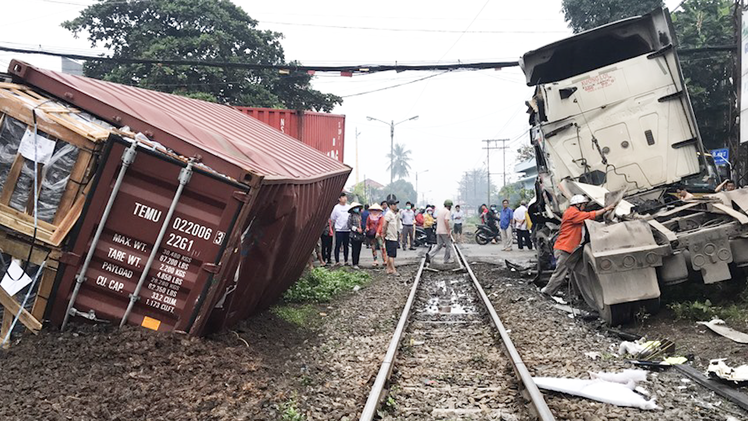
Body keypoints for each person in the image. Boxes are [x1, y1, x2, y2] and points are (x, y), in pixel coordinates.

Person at [541, 195, 614, 296]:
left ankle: (577, 294)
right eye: (583, 204)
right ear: (578, 204)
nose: (584, 206)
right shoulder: (572, 213)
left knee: (574, 271)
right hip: (564, 248)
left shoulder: (572, 212)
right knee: (560, 272)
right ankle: (547, 292)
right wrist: (606, 209)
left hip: (567, 248)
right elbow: (589, 215)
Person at [427, 199, 453, 264]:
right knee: (448, 245)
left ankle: (429, 255)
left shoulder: (440, 211)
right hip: (444, 231)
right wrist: (448, 231)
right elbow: (446, 221)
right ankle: (446, 260)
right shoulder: (447, 212)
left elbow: (437, 220)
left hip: (438, 231)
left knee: (439, 245)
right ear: (449, 206)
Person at [380, 194, 400, 275]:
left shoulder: (393, 214)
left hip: (393, 237)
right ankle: (393, 270)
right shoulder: (388, 214)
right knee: (391, 255)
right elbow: (385, 224)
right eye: (394, 204)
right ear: (391, 205)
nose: (396, 206)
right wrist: (383, 234)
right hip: (390, 237)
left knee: (390, 254)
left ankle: (388, 269)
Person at [330, 192, 351, 265]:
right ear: (339, 199)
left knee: (346, 245)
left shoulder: (349, 207)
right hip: (339, 229)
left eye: (345, 197)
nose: (345, 198)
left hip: (347, 229)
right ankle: (337, 261)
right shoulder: (336, 207)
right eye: (343, 197)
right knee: (338, 245)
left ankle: (346, 260)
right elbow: (333, 218)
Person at [347, 202, 365, 269]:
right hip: (354, 234)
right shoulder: (351, 216)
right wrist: (356, 229)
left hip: (360, 235)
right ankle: (354, 263)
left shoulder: (360, 215)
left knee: (359, 249)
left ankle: (357, 262)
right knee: (354, 249)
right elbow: (349, 225)